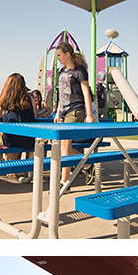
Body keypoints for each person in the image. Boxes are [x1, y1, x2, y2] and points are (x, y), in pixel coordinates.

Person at [53, 41, 95, 184]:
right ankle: (87, 163)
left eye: (59, 55)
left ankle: (65, 180)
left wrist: (89, 114)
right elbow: (61, 94)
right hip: (63, 111)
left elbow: (86, 92)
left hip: (76, 110)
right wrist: (58, 113)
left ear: (67, 54)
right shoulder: (61, 72)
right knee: (62, 145)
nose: (58, 58)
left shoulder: (79, 71)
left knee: (65, 144)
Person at [0, 73, 36, 177]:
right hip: (28, 137)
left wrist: (6, 114)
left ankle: (13, 170)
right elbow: (34, 115)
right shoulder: (29, 98)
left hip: (12, 138)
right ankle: (25, 170)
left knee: (9, 136)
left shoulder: (6, 97)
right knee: (19, 137)